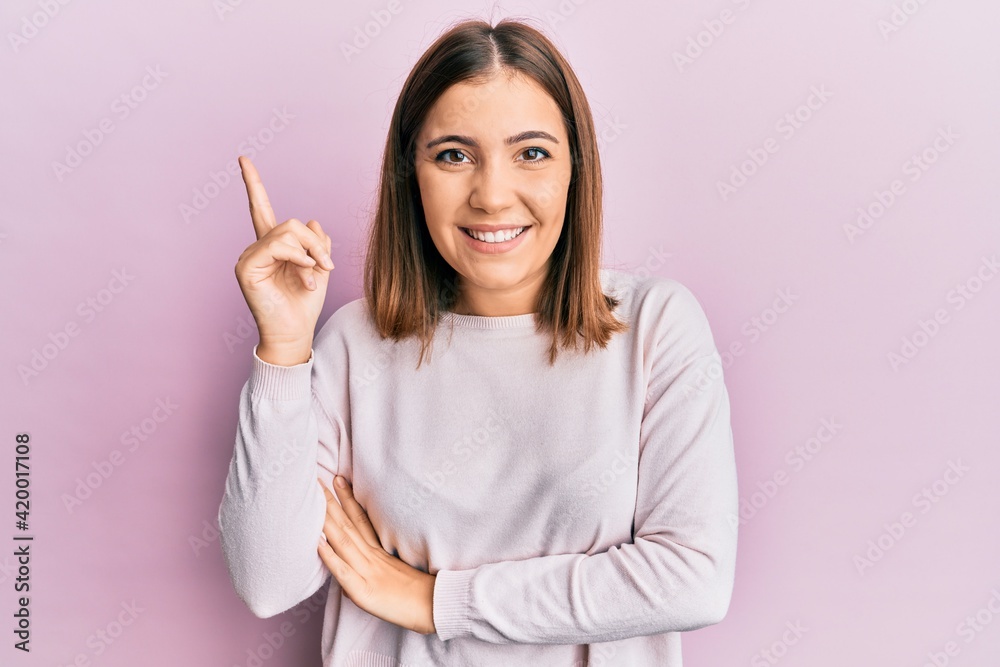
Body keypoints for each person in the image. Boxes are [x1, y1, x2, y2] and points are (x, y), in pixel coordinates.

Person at [218, 15, 738, 666]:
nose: (492, 196)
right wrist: (285, 350)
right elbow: (267, 581)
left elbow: (693, 576)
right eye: (454, 155)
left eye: (532, 153)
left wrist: (437, 600)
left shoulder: (656, 326)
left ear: (576, 170)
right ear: (411, 174)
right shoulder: (353, 344)